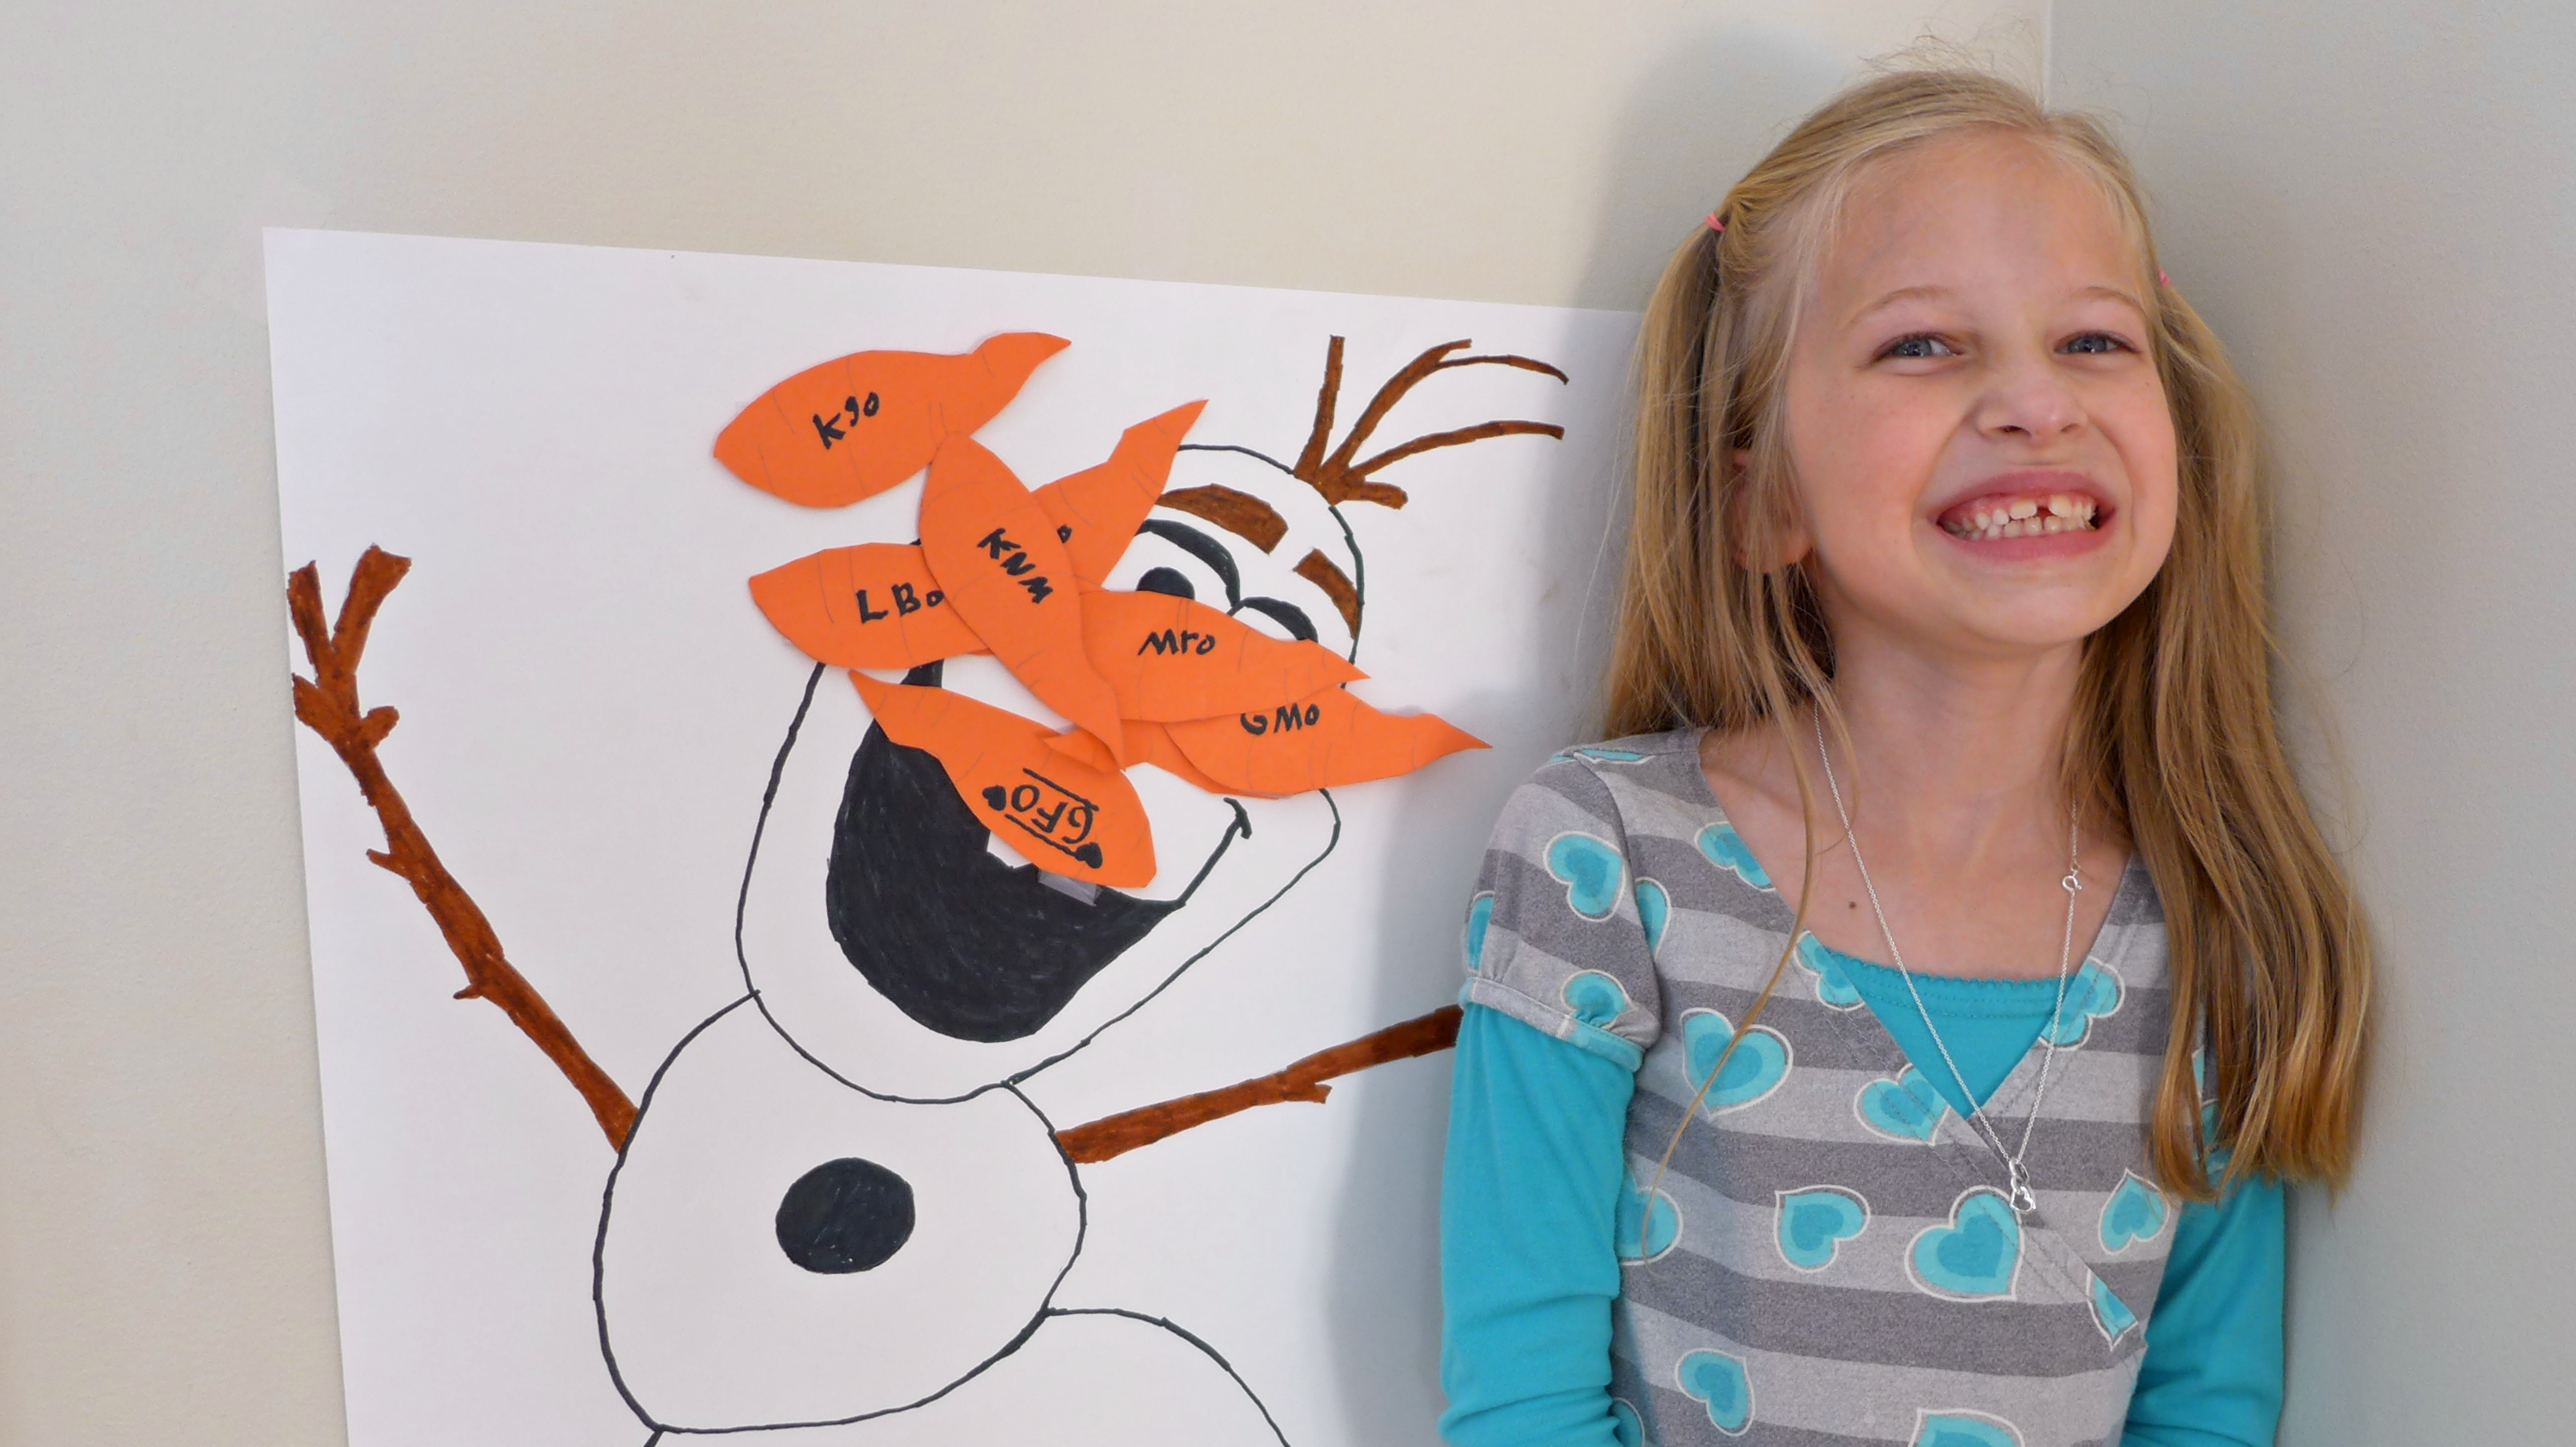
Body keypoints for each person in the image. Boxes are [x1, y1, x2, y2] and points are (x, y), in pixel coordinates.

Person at [1438, 68, 2369, 1447]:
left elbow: (2205, 1415)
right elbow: (1522, 1408)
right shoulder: (1605, 856)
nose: (2033, 401)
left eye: (2093, 340)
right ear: (1760, 497)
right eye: (1923, 345)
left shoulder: (2217, 929)